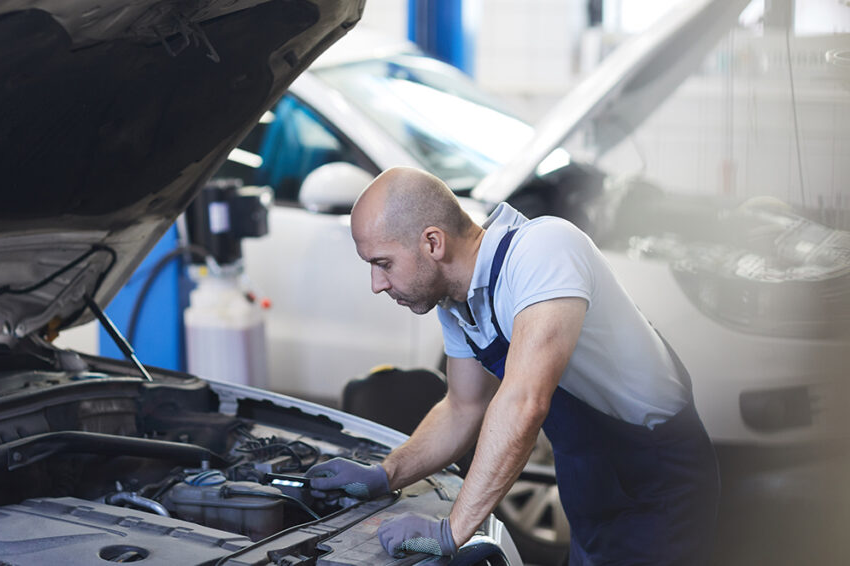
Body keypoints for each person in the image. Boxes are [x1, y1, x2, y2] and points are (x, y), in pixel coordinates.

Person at [305, 167, 720, 565]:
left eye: (382, 263)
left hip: (658, 488)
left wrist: (451, 532)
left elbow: (524, 402)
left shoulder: (544, 250)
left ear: (433, 243)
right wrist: (385, 473)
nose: (376, 284)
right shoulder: (457, 303)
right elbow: (462, 408)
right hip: (590, 485)